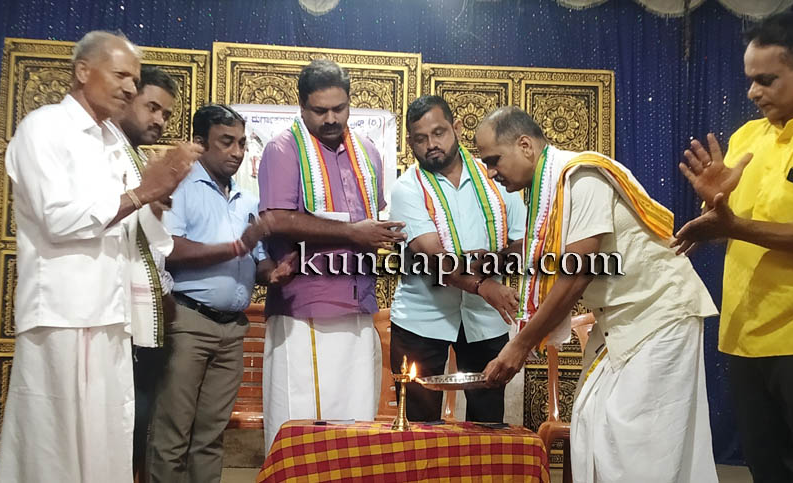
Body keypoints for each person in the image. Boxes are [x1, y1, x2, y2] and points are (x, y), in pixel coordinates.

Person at [672, 12, 793, 483]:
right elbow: (730, 227)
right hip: (745, 329)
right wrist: (714, 210)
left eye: (766, 80)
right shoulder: (747, 138)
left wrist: (735, 225)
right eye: (749, 80)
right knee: (767, 468)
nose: (752, 92)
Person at [0, 30, 199, 482]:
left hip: (111, 313)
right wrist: (142, 192)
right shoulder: (45, 128)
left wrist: (158, 198)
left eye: (135, 79)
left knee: (108, 440)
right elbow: (57, 219)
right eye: (121, 75)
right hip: (62, 313)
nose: (130, 87)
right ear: (83, 71)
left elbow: (140, 230)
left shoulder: (113, 141)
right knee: (54, 443)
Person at [477, 106, 719, 483]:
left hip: (659, 314)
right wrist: (504, 255)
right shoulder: (550, 188)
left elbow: (577, 272)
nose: (491, 172)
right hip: (620, 322)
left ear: (525, 145)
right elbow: (554, 245)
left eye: (493, 160)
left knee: (638, 447)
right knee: (591, 425)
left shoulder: (582, 177)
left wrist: (520, 345)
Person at [257, 59, 407, 448]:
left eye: (338, 108)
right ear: (301, 106)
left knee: (355, 423)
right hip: (306, 307)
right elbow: (276, 219)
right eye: (319, 110)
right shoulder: (283, 149)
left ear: (350, 103)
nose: (330, 119)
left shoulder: (367, 152)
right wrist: (353, 233)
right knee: (302, 423)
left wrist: (382, 233)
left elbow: (369, 218)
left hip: (358, 304)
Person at [144, 104, 290, 482]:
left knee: (211, 436)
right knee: (172, 433)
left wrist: (273, 273)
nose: (237, 152)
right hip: (188, 322)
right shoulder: (179, 189)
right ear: (200, 143)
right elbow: (170, 249)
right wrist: (235, 247)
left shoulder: (246, 198)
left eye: (241, 143)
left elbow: (257, 259)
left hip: (232, 329)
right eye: (226, 142)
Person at [389, 95, 525, 423]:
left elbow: (524, 245)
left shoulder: (495, 175)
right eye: (420, 139)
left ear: (457, 128)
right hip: (422, 319)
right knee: (418, 428)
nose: (431, 145)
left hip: (486, 318)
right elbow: (435, 259)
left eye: (439, 133)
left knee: (487, 424)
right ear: (410, 142)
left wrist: (489, 262)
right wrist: (484, 284)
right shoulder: (407, 189)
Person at [105, 64, 179, 478]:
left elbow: (150, 244)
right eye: (152, 107)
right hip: (116, 316)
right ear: (127, 98)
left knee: (136, 427)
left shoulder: (138, 159)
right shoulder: (106, 153)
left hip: (145, 318)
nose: (159, 120)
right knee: (119, 427)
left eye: (166, 114)